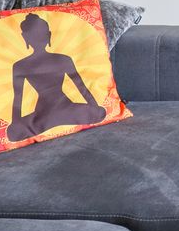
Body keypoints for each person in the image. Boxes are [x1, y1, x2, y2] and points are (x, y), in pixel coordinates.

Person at [6, 13, 106, 141]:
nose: (39, 38)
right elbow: (18, 99)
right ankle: (59, 119)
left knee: (14, 132)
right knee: (99, 112)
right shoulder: (60, 60)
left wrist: (17, 126)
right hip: (55, 112)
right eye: (35, 35)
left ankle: (50, 122)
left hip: (47, 114)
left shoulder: (21, 66)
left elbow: (81, 87)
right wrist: (94, 108)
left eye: (40, 34)